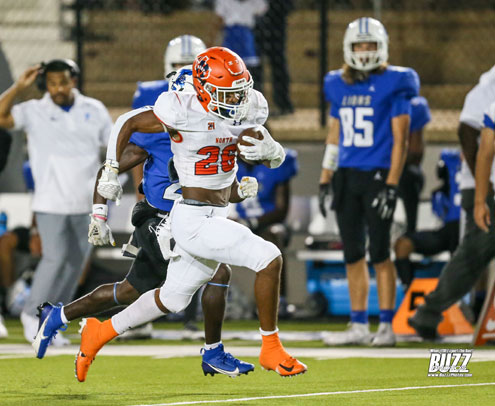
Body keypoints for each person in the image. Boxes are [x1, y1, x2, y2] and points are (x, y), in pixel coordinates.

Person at [74, 47, 306, 382]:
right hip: (193, 219)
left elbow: (264, 152)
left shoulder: (249, 105)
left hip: (217, 214)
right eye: (228, 93)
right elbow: (127, 120)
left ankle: (98, 333)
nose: (237, 99)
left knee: (172, 298)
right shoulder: (182, 110)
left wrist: (275, 151)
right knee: (269, 257)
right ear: (203, 90)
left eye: (240, 91)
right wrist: (110, 169)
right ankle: (271, 347)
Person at [33, 70, 253, 380]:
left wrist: (240, 189)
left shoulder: (214, 132)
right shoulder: (156, 133)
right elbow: (109, 170)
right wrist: (99, 214)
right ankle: (213, 352)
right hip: (157, 220)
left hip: (189, 219)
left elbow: (218, 186)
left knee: (128, 291)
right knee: (218, 270)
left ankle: (59, 314)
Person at [318, 17, 419, 347]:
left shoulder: (397, 81)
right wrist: (325, 175)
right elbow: (335, 133)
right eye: (359, 45)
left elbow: (401, 139)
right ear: (348, 48)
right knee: (352, 254)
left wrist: (391, 185)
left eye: (370, 45)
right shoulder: (336, 82)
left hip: (377, 175)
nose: (364, 51)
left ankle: (387, 326)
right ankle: (359, 323)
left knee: (379, 252)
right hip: (347, 175)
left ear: (383, 47)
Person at [0, 59, 113, 344]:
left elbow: (113, 146)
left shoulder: (94, 109)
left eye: (62, 81)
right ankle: (30, 313)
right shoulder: (34, 110)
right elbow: (1, 116)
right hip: (50, 202)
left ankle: (52, 320)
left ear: (73, 80)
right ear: (44, 85)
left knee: (75, 265)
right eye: (51, 83)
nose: (58, 88)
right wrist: (18, 87)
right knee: (55, 258)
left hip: (87, 202)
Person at [408, 66, 495, 340]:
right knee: (474, 252)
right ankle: (429, 312)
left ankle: (429, 312)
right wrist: (483, 188)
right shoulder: (487, 87)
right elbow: (467, 134)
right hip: (485, 184)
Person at [131, 34, 206, 330]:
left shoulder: (213, 96)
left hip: (198, 188)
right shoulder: (152, 95)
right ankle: (137, 320)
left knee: (202, 257)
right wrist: (141, 195)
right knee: (147, 256)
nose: (185, 70)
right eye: (179, 65)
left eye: (191, 64)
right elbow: (137, 148)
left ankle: (192, 319)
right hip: (161, 188)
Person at [233, 148, 298, 303]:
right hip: (239, 223)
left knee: (273, 237)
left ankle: (278, 300)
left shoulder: (277, 163)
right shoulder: (229, 163)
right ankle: (201, 299)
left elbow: (281, 210)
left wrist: (252, 223)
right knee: (206, 238)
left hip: (268, 224)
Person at [394, 149, 461, 287]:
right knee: (402, 245)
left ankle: (476, 301)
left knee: (481, 259)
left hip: (468, 231)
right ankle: (409, 291)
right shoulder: (440, 195)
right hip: (447, 231)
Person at [214, 0, 267, 91]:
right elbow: (220, 18)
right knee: (228, 65)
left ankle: (253, 91)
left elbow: (261, 9)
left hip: (246, 33)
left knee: (250, 64)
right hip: (230, 34)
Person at [398, 96, 431, 233]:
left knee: (410, 174)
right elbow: (416, 152)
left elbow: (415, 153)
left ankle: (410, 232)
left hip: (397, 169)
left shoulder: (414, 105)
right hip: (378, 169)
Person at [254, 0, 294, 115]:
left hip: (276, 25)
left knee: (278, 63)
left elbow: (288, 6)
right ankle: (257, 105)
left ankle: (283, 103)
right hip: (258, 25)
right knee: (256, 67)